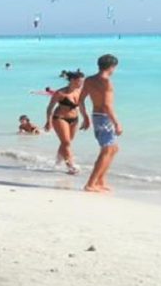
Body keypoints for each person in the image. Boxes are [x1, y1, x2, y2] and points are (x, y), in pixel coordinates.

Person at [80, 54, 122, 193]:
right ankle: (91, 184)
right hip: (104, 117)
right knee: (107, 150)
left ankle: (100, 180)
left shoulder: (89, 80)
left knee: (113, 149)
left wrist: (85, 117)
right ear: (112, 67)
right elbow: (106, 105)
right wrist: (117, 123)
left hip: (96, 116)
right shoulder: (106, 82)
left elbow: (80, 100)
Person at [43, 71, 89, 174]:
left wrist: (86, 118)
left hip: (74, 119)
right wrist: (48, 121)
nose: (81, 83)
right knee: (66, 142)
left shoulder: (80, 91)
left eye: (82, 81)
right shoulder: (60, 93)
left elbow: (81, 106)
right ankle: (70, 166)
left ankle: (57, 163)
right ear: (72, 80)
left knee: (66, 142)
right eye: (79, 81)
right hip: (60, 118)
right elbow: (50, 107)